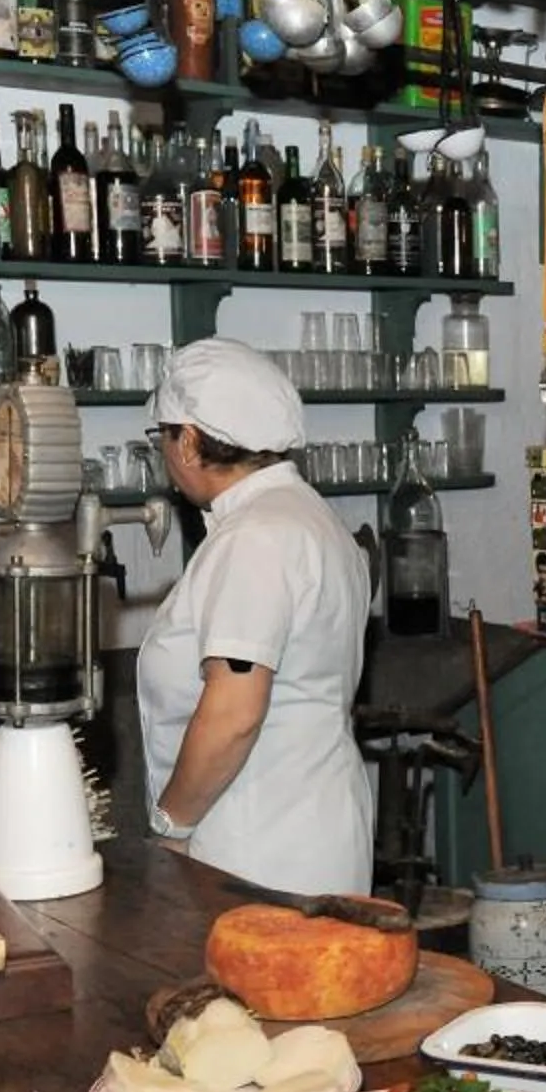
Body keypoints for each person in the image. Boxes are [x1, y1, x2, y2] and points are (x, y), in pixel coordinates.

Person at [136, 338, 375, 896]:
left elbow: (234, 713)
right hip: (317, 830)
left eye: (163, 438)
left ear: (190, 443)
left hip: (256, 853)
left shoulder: (255, 539)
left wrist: (171, 825)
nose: (165, 457)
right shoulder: (312, 518)